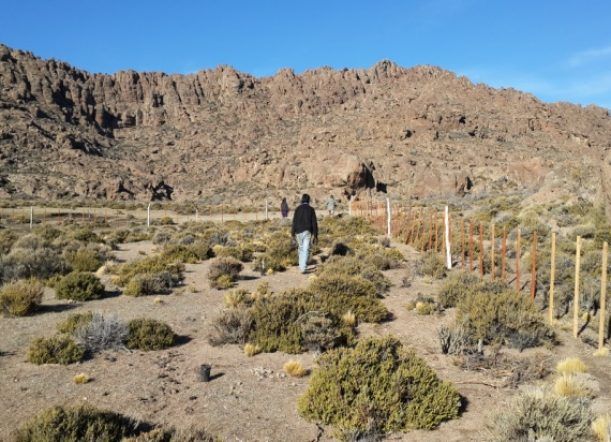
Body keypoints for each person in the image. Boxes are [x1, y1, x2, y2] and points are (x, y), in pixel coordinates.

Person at [291, 193, 318, 274]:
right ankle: (303, 267)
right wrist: (315, 235)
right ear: (308, 200)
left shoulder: (297, 209)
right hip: (307, 231)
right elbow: (314, 223)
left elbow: (294, 221)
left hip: (298, 231)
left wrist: (292, 234)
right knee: (305, 249)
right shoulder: (311, 209)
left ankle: (302, 266)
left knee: (301, 248)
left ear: (302, 200)